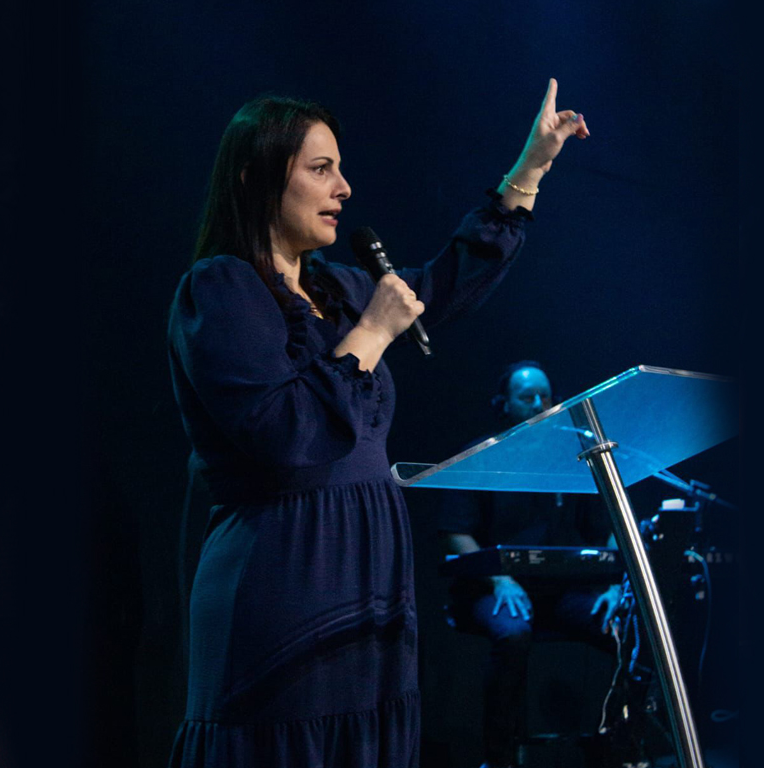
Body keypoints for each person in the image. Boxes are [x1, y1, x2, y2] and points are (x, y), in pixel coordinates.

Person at [167, 82, 590, 767]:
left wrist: (531, 167)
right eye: (320, 169)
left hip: (369, 570)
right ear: (255, 178)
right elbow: (285, 432)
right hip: (286, 568)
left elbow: (446, 283)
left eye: (339, 169)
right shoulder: (221, 288)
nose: (344, 188)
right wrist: (370, 335)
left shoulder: (339, 288)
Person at [438, 361, 622, 768]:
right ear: (504, 404)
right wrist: (500, 579)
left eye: (546, 396)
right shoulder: (481, 456)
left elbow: (609, 527)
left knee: (626, 631)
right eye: (527, 397)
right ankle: (499, 756)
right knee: (513, 633)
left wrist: (615, 586)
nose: (540, 405)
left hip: (564, 592)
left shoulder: (573, 456)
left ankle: (623, 744)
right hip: (495, 588)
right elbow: (455, 531)